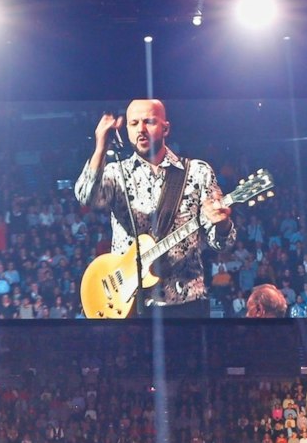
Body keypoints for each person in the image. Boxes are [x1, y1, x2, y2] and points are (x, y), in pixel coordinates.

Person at [74, 99, 235, 315]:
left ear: (165, 128)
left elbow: (222, 244)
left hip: (185, 302)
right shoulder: (115, 173)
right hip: (130, 303)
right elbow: (86, 197)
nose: (141, 129)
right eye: (133, 123)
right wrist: (100, 148)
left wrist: (223, 224)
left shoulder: (197, 172)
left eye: (148, 121)